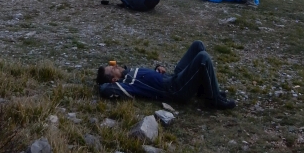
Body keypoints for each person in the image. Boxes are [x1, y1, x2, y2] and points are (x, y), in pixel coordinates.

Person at [96, 41, 235, 109]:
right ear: (114, 79)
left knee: (198, 46)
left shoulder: (130, 72)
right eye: (112, 69)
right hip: (175, 88)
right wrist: (101, 83)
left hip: (172, 77)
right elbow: (105, 89)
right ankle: (214, 100)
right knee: (203, 58)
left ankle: (205, 91)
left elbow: (148, 78)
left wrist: (157, 68)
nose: (115, 66)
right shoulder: (126, 84)